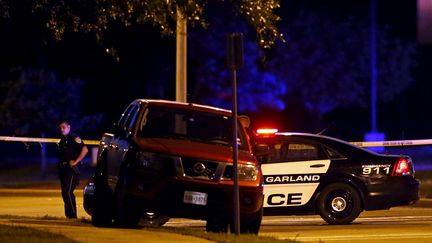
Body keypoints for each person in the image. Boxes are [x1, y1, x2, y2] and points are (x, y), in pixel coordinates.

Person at [57, 120, 88, 219]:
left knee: (67, 192)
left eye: (63, 127)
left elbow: (85, 149)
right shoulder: (62, 140)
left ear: (69, 127)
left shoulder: (74, 138)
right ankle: (69, 215)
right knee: (64, 192)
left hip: (72, 169)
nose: (62, 129)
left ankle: (72, 215)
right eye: (60, 128)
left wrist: (76, 161)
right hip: (64, 169)